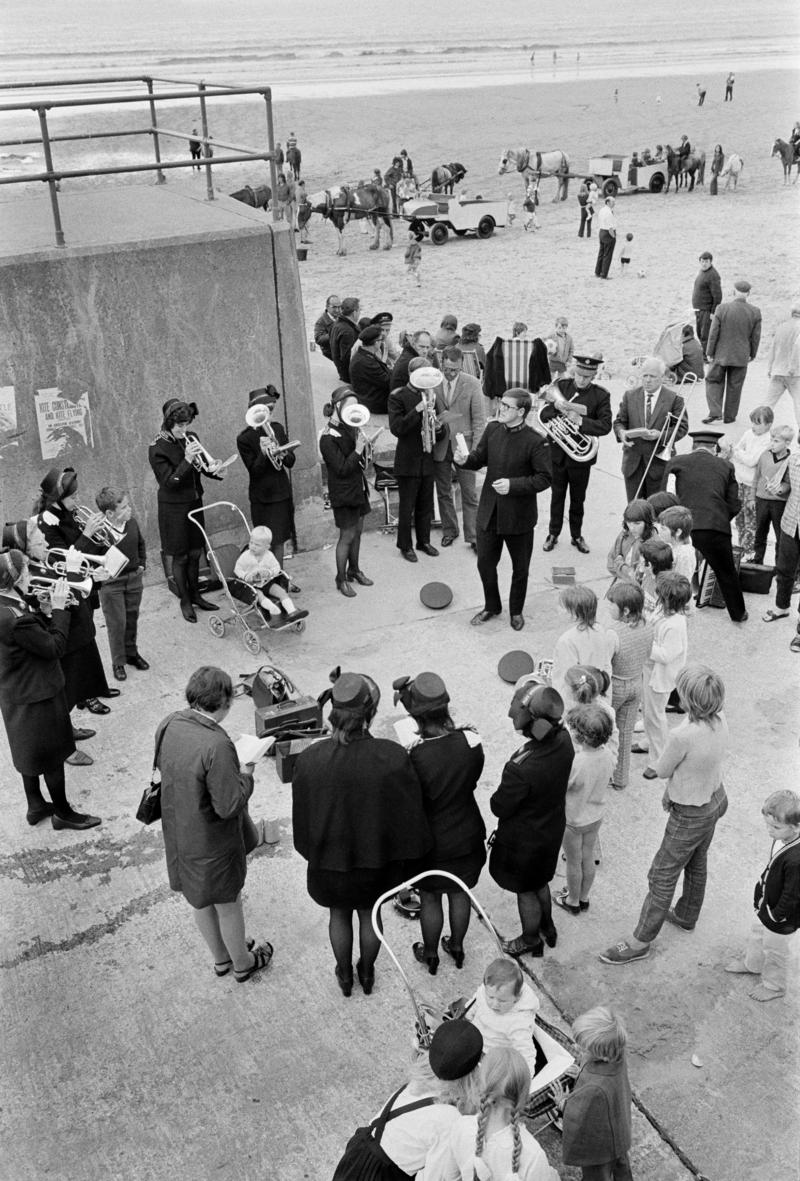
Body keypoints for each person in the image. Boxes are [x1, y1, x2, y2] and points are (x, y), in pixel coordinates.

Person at [292, 671, 431, 996]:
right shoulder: (393, 756)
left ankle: (343, 974)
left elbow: (303, 819)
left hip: (330, 865)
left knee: (338, 915)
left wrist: (314, 853)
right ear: (370, 713)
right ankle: (366, 972)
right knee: (371, 916)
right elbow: (409, 818)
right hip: (377, 865)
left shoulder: (311, 759)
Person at [601, 664, 729, 964]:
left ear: (687, 701)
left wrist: (652, 771)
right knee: (697, 862)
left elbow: (664, 768)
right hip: (716, 797)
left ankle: (640, 941)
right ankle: (686, 914)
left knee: (661, 874)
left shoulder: (683, 734)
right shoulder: (720, 719)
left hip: (690, 812)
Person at [156, 666, 273, 982]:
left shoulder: (169, 723)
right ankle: (243, 962)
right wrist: (246, 775)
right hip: (213, 843)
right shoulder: (216, 744)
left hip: (180, 831)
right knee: (228, 904)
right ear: (224, 703)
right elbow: (229, 805)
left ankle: (221, 959)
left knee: (199, 899)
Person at [0, 549, 101, 830]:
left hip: (14, 692)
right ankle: (63, 813)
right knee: (54, 756)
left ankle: (35, 805)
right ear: (14, 579)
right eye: (26, 571)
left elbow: (26, 637)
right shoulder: (14, 618)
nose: (31, 575)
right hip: (39, 693)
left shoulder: (8, 608)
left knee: (27, 751)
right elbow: (54, 647)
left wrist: (42, 613)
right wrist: (58, 611)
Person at [393, 672, 485, 973]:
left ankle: (430, 954)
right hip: (466, 833)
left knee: (431, 898)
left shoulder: (415, 755)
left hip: (431, 841)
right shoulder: (471, 741)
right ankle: (457, 948)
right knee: (460, 894)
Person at [332, 1019, 483, 1180]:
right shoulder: (450, 1120)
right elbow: (434, 1177)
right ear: (472, 1076)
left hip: (359, 1154)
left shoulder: (417, 1082)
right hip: (383, 1175)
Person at [489, 679, 574, 956]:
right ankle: (547, 927)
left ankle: (530, 939)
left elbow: (499, 807)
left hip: (523, 842)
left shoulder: (521, 768)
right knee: (540, 883)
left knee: (525, 890)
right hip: (550, 831)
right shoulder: (563, 741)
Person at [454, 389, 552, 631]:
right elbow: (479, 458)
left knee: (520, 569)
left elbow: (544, 478)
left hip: (519, 516)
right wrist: (464, 460)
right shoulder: (493, 429)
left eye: (507, 407)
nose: (501, 409)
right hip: (489, 511)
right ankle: (492, 605)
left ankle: (516, 611)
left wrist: (513, 485)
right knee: (485, 563)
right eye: (501, 404)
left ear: (521, 411)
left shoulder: (536, 441)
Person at [36, 467, 120, 745]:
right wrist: (87, 535)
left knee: (87, 641)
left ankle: (90, 691)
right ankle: (84, 696)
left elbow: (87, 552)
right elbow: (62, 558)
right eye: (72, 496)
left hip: (86, 586)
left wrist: (102, 543)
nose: (77, 500)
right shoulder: (46, 524)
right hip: (68, 593)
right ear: (57, 498)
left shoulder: (70, 514)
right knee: (76, 650)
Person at [149, 399, 223, 623]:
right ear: (169, 422)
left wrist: (217, 471)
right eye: (179, 426)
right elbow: (170, 482)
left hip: (193, 501)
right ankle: (185, 601)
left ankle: (197, 595)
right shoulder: (157, 448)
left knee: (195, 552)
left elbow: (201, 467)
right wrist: (187, 458)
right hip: (173, 508)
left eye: (186, 424)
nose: (184, 430)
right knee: (180, 557)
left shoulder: (192, 437)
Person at [662, 429, 746, 621]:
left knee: (674, 570)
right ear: (714, 448)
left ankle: (670, 611)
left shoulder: (675, 462)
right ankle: (738, 613)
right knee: (726, 572)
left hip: (681, 526)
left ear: (693, 447)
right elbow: (734, 504)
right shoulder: (726, 465)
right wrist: (721, 518)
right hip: (714, 526)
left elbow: (665, 497)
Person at [725, 790, 800, 1002]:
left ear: (796, 827)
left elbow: (793, 895)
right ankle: (753, 964)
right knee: (758, 933)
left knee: (776, 950)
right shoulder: (783, 838)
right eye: (767, 825)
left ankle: (774, 986)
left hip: (782, 917)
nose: (769, 831)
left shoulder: (796, 859)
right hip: (768, 906)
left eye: (775, 827)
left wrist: (776, 916)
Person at [450, 1047, 559, 1181]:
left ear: (482, 1085)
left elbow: (451, 1174)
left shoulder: (460, 1126)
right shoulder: (532, 1154)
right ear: (523, 1094)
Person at [540, 352, 613, 553]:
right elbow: (544, 415)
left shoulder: (601, 395)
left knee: (577, 499)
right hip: (557, 454)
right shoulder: (562, 387)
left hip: (580, 458)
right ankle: (553, 533)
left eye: (586, 377)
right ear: (574, 372)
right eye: (578, 375)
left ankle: (576, 535)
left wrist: (580, 421)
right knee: (557, 496)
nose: (581, 380)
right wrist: (555, 407)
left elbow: (605, 426)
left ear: (593, 376)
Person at [553, 1007, 633, 1180]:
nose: (577, 1048)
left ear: (602, 1055)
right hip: (619, 1130)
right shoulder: (617, 1057)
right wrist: (582, 1072)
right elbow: (598, 1073)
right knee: (621, 1164)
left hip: (600, 1146)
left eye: (583, 1049)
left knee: (597, 1176)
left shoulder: (594, 1090)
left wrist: (562, 1102)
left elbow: (578, 1115)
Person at [555, 704, 615, 915]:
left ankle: (571, 900)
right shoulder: (607, 754)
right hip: (595, 815)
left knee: (573, 861)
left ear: (581, 736)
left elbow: (564, 786)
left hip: (573, 819)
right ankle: (584, 897)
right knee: (588, 857)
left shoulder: (578, 762)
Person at [319, 387, 374, 597]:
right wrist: (358, 449)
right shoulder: (327, 437)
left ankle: (354, 570)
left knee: (358, 532)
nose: (354, 411)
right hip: (343, 493)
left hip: (358, 488)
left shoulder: (350, 427)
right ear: (338, 407)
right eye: (349, 407)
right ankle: (340, 578)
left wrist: (367, 448)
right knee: (347, 536)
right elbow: (341, 469)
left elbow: (359, 462)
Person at [235, 387, 297, 572]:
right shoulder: (244, 438)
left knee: (280, 541)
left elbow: (290, 462)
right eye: (266, 409)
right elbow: (254, 471)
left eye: (271, 410)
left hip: (281, 493)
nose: (269, 414)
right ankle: (270, 579)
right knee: (267, 543)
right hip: (263, 497)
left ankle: (279, 577)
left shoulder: (277, 429)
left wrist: (282, 449)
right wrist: (263, 454)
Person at [636, 571, 691, 779]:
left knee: (656, 716)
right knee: (649, 711)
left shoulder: (675, 624)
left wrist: (644, 643)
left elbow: (666, 654)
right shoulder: (663, 610)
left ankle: (658, 759)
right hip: (650, 670)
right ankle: (648, 741)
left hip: (661, 675)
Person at [389, 362, 444, 563]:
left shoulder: (431, 395)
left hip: (426, 459)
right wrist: (418, 410)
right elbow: (397, 428)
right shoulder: (397, 396)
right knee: (407, 507)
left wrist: (438, 427)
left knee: (425, 505)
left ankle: (424, 541)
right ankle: (405, 545)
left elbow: (438, 425)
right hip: (408, 460)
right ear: (410, 374)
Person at [434, 346, 487, 551]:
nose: (450, 373)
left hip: (464, 446)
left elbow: (479, 422)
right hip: (441, 444)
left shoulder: (472, 383)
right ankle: (449, 530)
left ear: (461, 365)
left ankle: (473, 536)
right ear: (442, 363)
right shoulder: (434, 381)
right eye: (447, 369)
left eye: (454, 370)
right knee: (443, 491)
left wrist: (475, 452)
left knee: (469, 494)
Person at [613, 356, 688, 502]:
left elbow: (682, 427)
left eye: (652, 376)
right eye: (644, 375)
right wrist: (621, 433)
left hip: (659, 464)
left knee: (657, 508)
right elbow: (619, 422)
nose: (647, 380)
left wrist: (661, 435)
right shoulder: (630, 396)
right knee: (634, 509)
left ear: (662, 377)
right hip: (633, 463)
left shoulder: (675, 399)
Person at [94, 487, 148, 681]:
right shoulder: (100, 532)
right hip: (112, 584)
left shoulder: (131, 523)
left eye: (128, 505)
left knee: (132, 618)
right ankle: (118, 662)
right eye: (124, 507)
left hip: (134, 578)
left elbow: (140, 543)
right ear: (109, 513)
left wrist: (142, 564)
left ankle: (132, 653)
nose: (129, 509)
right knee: (117, 624)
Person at [607, 582, 654, 791]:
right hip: (637, 682)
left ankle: (604, 774)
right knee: (625, 733)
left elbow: (604, 662)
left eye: (612, 604)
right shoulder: (648, 625)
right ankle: (620, 779)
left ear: (625, 610)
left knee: (605, 731)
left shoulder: (613, 632)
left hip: (616, 685)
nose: (609, 608)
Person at [467, 959, 540, 1074]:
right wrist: (468, 1015)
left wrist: (526, 1079)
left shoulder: (519, 1021)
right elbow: (475, 1003)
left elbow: (526, 1053)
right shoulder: (487, 990)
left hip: (494, 1058)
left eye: (502, 1001)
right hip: (472, 1039)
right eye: (490, 997)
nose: (494, 1004)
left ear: (517, 998)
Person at [704, 280, 762, 424]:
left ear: (733, 292)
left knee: (713, 381)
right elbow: (756, 337)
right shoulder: (755, 312)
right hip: (741, 355)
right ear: (748, 294)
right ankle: (730, 417)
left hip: (721, 354)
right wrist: (752, 354)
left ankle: (715, 412)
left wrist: (709, 351)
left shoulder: (722, 308)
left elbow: (713, 333)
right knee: (735, 386)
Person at [762, 433, 800, 647]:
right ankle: (781, 607)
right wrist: (779, 488)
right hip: (790, 523)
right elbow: (787, 485)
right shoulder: (793, 460)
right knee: (784, 569)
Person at [551, 585, 615, 701]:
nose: (557, 609)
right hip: (596, 690)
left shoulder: (566, 641)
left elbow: (565, 679)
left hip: (576, 700)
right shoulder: (600, 629)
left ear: (574, 614)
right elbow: (607, 665)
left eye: (562, 606)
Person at [231, 525, 306, 623]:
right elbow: (237, 569)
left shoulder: (269, 555)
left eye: (257, 545)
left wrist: (270, 572)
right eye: (251, 542)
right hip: (252, 585)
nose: (252, 546)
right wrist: (245, 576)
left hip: (267, 582)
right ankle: (271, 607)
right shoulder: (246, 556)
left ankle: (292, 612)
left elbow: (276, 567)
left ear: (267, 547)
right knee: (259, 595)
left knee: (281, 592)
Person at [732, 406, 774, 555]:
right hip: (740, 481)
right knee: (739, 518)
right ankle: (741, 547)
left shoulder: (768, 440)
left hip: (752, 485)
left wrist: (739, 454)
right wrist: (741, 454)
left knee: (751, 520)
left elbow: (752, 461)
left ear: (768, 425)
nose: (754, 427)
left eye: (758, 423)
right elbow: (736, 448)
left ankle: (749, 551)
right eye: (753, 423)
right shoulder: (748, 433)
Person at [753, 424, 793, 565]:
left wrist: (780, 489)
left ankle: (779, 564)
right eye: (771, 440)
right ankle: (757, 560)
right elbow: (757, 476)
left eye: (776, 441)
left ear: (787, 443)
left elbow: (789, 482)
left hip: (778, 502)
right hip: (761, 500)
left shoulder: (791, 460)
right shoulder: (765, 455)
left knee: (779, 535)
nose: (772, 444)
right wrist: (754, 496)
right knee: (760, 533)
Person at [606, 498, 657, 592]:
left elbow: (639, 578)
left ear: (647, 522)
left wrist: (620, 565)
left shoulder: (653, 543)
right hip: (621, 585)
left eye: (637, 523)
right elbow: (610, 563)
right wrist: (627, 571)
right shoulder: (625, 534)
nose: (632, 528)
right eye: (628, 522)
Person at [764, 299, 800, 425]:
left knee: (769, 403)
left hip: (777, 370)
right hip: (795, 374)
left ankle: (760, 425)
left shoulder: (782, 327)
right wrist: (793, 366)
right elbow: (797, 346)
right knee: (798, 404)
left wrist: (769, 367)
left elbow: (773, 348)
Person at [348, 324, 391, 415]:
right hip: (374, 403)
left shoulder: (363, 354)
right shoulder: (366, 362)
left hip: (370, 395)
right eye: (380, 340)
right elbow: (387, 381)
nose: (381, 343)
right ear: (376, 342)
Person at [692, 252, 723, 357]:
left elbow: (718, 296)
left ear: (710, 262)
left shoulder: (713, 275)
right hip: (699, 310)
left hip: (706, 310)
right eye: (702, 261)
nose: (704, 263)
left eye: (706, 261)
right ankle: (705, 356)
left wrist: (713, 312)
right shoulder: (702, 272)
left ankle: (707, 357)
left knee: (706, 335)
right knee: (700, 333)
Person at [656, 506, 697, 584]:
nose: (659, 532)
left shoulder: (684, 555)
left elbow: (679, 585)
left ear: (678, 532)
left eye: (663, 529)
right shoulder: (674, 544)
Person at [637, 536, 674, 621]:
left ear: (649, 565)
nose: (639, 561)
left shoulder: (663, 588)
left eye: (641, 559)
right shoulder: (649, 575)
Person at [330, 297, 361, 382]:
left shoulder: (337, 324)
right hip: (348, 376)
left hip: (342, 372)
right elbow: (347, 357)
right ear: (354, 312)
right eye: (359, 310)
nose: (359, 313)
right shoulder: (348, 331)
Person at [594, 197, 617, 279]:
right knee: (607, 255)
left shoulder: (602, 210)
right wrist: (613, 237)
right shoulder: (609, 213)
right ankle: (604, 274)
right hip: (608, 233)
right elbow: (610, 227)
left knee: (601, 253)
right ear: (607, 202)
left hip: (602, 231)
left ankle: (598, 271)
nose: (614, 203)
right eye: (612, 202)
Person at [314, 295, 341, 360]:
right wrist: (334, 334)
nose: (337, 310)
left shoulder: (342, 316)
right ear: (327, 307)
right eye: (334, 307)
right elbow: (318, 339)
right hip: (329, 355)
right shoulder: (321, 322)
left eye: (339, 307)